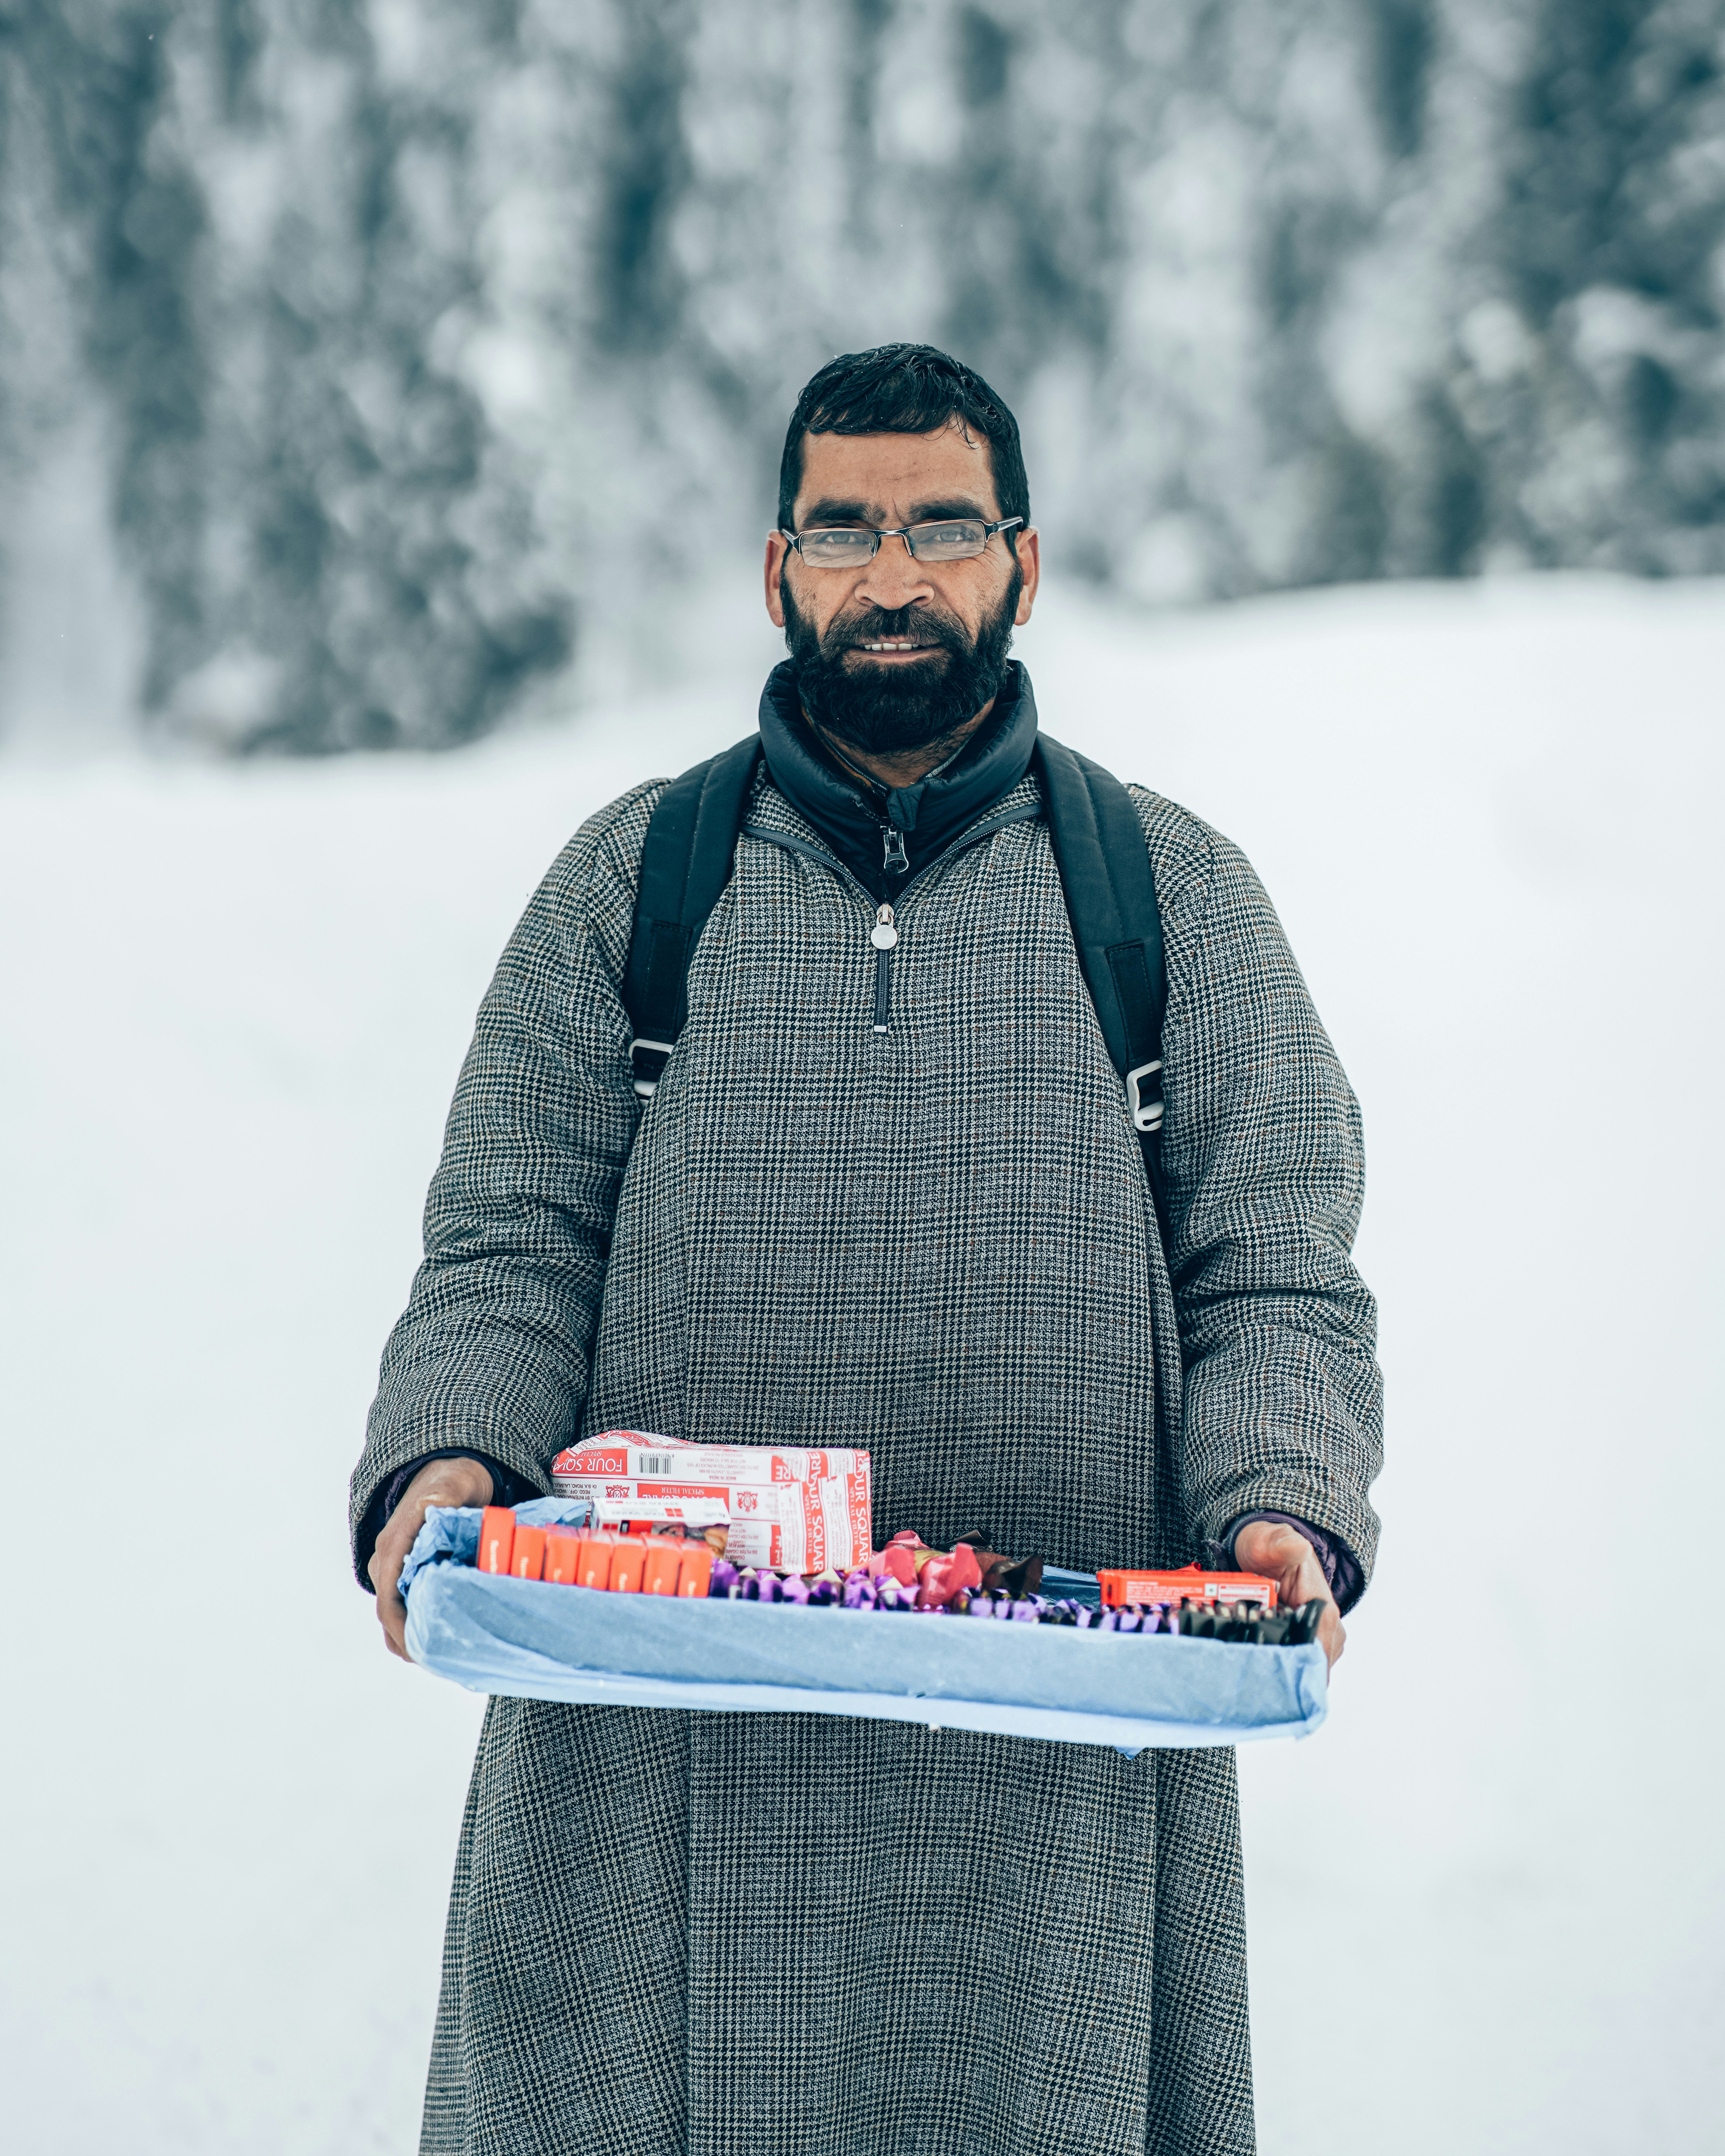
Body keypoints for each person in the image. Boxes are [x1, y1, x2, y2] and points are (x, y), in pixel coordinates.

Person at [351, 342, 1383, 2156]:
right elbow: (512, 1235)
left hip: (1057, 1747)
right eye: (843, 531)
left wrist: (1279, 1498)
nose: (890, 576)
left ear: (1021, 561)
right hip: (663, 1733)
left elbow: (1275, 1262)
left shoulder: (1165, 894)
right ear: (776, 570)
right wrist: (451, 1460)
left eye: (939, 527)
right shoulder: (635, 882)